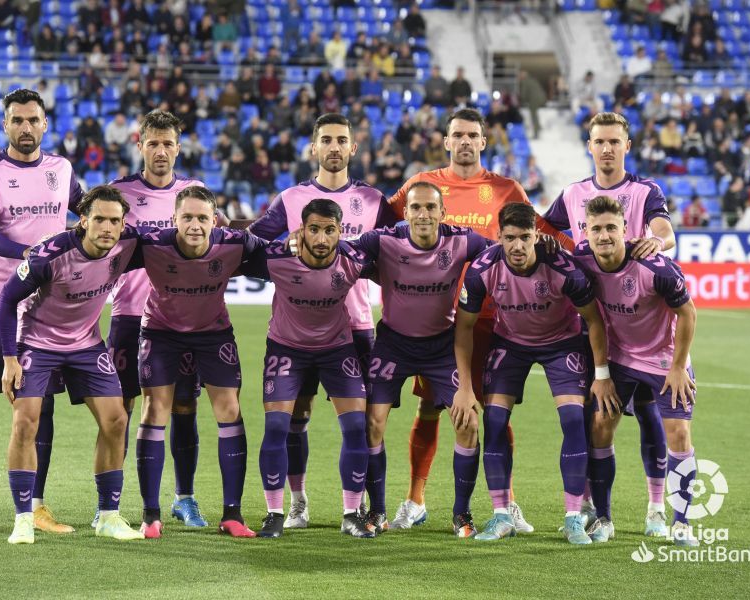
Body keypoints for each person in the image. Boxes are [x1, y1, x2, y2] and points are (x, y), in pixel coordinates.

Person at [386, 108, 571, 532]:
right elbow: (383, 223)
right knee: (431, 409)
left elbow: (538, 232)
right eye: (458, 135)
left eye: (473, 135)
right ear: (446, 141)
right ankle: (414, 500)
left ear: (484, 142)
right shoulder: (422, 186)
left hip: (490, 318)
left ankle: (505, 504)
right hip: (434, 317)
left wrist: (583, 252)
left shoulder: (507, 189)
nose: (465, 141)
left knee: (493, 412)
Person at [236, 113, 398, 529]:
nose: (333, 147)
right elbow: (255, 244)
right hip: (295, 328)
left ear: (353, 147)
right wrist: (284, 241)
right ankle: (297, 503)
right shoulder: (290, 200)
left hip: (356, 324)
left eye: (341, 140)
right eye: (325, 139)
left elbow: (396, 250)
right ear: (313, 147)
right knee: (295, 416)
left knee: (367, 423)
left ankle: (367, 509)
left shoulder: (376, 201)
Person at [542, 111, 677, 533]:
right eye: (599, 141)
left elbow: (664, 231)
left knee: (651, 414)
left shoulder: (644, 190)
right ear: (589, 145)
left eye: (614, 142)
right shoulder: (573, 193)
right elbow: (545, 230)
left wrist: (657, 240)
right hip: (596, 325)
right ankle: (589, 505)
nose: (606, 149)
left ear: (626, 146)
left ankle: (656, 507)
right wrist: (566, 250)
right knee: (593, 415)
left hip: (643, 322)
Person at [0, 89, 82, 536]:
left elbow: (90, 217)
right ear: (4, 124)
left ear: (45, 124)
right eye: (17, 120)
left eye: (33, 120)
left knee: (42, 406)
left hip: (46, 308)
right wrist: (34, 255)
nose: (25, 128)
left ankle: (37, 506)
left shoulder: (62, 170)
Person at [456, 203, 616, 545]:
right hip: (510, 344)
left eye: (525, 238)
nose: (517, 246)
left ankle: (574, 518)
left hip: (562, 344)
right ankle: (502, 515)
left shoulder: (563, 268)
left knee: (574, 421)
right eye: (510, 238)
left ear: (536, 236)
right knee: (495, 422)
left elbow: (593, 320)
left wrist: (601, 373)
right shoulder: (482, 269)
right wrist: (465, 387)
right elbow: (464, 328)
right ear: (498, 236)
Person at [0, 186, 145, 544]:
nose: (108, 228)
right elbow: (6, 299)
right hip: (37, 342)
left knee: (116, 419)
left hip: (86, 344)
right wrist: (9, 360)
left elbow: (174, 240)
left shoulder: (128, 245)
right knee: (25, 422)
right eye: (99, 219)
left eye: (115, 220)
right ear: (84, 220)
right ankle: (23, 519)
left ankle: (108, 517)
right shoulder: (51, 254)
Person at [352, 182, 492, 536]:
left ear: (443, 213)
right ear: (407, 212)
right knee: (372, 423)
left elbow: (500, 254)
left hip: (442, 346)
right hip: (393, 344)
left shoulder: (463, 240)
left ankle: (462, 514)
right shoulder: (383, 240)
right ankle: (378, 512)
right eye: (416, 208)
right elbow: (342, 251)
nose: (424, 214)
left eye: (431, 207)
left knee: (468, 423)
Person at [133, 186, 264, 539]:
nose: (194, 225)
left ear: (215, 220)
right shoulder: (150, 244)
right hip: (161, 333)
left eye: (202, 218)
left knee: (229, 407)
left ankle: (232, 515)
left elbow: (274, 258)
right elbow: (103, 250)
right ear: (174, 219)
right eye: (187, 217)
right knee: (154, 410)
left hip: (212, 333)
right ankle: (150, 516)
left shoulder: (235, 243)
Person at [242, 199, 376, 539]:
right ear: (301, 230)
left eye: (329, 230)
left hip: (337, 349)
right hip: (287, 349)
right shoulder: (275, 257)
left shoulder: (355, 259)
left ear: (340, 232)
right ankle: (282, 509)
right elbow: (234, 250)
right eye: (313, 229)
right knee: (277, 427)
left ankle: (351, 513)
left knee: (357, 427)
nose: (321, 238)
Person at [574, 196, 700, 547]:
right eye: (596, 228)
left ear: (625, 230)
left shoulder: (656, 267)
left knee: (678, 435)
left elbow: (687, 313)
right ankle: (604, 518)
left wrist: (678, 367)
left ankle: (681, 523)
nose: (603, 236)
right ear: (586, 231)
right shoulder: (581, 261)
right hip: (620, 358)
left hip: (663, 360)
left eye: (611, 228)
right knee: (600, 426)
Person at [103, 110, 207, 528]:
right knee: (120, 409)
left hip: (181, 322)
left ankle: (184, 497)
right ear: (140, 144)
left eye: (169, 144)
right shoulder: (117, 193)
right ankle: (111, 502)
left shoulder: (195, 193)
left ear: (178, 148)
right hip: (129, 315)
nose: (161, 151)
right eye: (154, 143)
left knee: (184, 407)